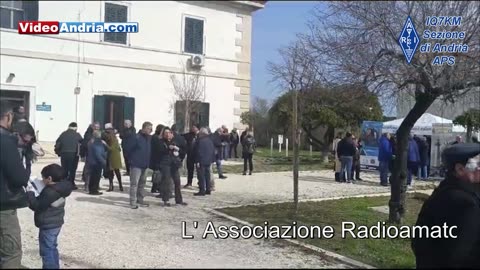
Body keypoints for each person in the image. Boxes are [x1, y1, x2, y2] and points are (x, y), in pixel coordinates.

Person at [411, 143, 480, 268]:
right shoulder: (466, 203)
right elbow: (459, 254)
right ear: (460, 169)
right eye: (478, 164)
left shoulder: (444, 189)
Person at [0, 101, 31, 269]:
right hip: (3, 207)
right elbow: (18, 177)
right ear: (8, 116)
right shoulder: (5, 140)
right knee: (10, 253)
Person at [26, 164, 73, 269]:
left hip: (47, 223)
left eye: (43, 178)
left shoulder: (49, 192)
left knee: (46, 250)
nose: (42, 180)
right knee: (52, 247)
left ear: (49, 179)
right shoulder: (63, 187)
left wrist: (30, 193)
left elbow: (36, 206)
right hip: (56, 222)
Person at [155, 127, 187, 206]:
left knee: (177, 181)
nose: (168, 134)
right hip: (165, 164)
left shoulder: (175, 141)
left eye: (169, 133)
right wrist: (168, 149)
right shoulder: (161, 142)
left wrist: (178, 150)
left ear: (172, 134)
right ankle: (165, 200)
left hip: (174, 164)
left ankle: (179, 200)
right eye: (166, 133)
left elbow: (183, 151)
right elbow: (159, 152)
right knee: (166, 181)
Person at [124, 122, 152, 209]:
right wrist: (131, 160)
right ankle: (132, 202)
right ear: (144, 128)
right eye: (149, 128)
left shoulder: (148, 138)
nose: (150, 130)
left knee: (142, 184)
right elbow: (128, 149)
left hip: (145, 164)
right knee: (134, 184)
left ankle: (140, 200)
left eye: (151, 129)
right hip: (136, 164)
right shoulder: (136, 137)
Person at [55, 122, 82, 190]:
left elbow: (58, 144)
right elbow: (82, 143)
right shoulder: (77, 135)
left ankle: (64, 183)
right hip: (74, 154)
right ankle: (71, 184)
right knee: (72, 170)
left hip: (64, 154)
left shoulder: (63, 134)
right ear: (76, 128)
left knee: (64, 169)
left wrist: (58, 153)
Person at [194, 128, 215, 196]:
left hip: (201, 160)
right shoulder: (210, 141)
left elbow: (198, 151)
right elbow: (212, 151)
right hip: (208, 160)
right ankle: (208, 189)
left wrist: (197, 161)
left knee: (201, 176)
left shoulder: (199, 141)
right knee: (207, 175)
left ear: (201, 134)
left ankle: (202, 190)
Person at [104, 124, 123, 192]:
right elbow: (119, 148)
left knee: (113, 172)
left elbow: (111, 149)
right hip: (114, 157)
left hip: (113, 157)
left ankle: (115, 185)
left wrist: (105, 144)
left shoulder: (113, 139)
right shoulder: (113, 138)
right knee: (114, 172)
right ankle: (116, 185)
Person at [86, 130, 107, 195]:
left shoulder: (91, 142)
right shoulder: (98, 142)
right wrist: (104, 162)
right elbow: (98, 154)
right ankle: (94, 190)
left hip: (92, 161)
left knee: (92, 176)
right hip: (96, 162)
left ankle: (91, 189)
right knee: (96, 177)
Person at [150, 124, 165, 194]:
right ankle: (155, 187)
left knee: (158, 172)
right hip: (156, 157)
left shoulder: (155, 137)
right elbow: (158, 147)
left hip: (156, 157)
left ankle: (156, 187)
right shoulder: (156, 137)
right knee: (157, 172)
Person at [183, 124, 199, 189]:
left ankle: (201, 183)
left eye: (194, 128)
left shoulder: (201, 135)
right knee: (190, 169)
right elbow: (181, 136)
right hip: (190, 154)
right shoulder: (189, 135)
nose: (192, 129)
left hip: (198, 155)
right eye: (192, 128)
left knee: (200, 170)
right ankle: (189, 182)